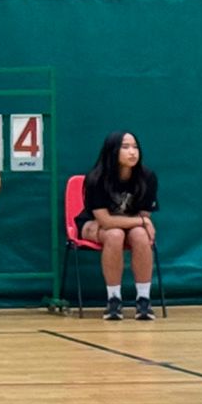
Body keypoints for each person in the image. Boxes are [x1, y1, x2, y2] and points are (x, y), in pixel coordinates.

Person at [83, 130, 159, 321]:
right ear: (112, 151)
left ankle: (143, 299)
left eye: (135, 147)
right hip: (93, 225)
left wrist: (142, 221)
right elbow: (105, 221)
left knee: (140, 235)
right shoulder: (96, 178)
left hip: (131, 224)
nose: (132, 152)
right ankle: (114, 300)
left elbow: (144, 215)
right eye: (125, 147)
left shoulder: (147, 177)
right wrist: (142, 221)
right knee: (115, 234)